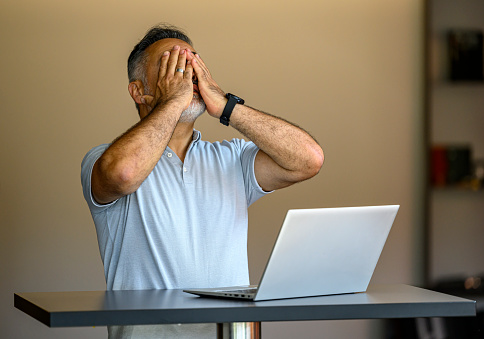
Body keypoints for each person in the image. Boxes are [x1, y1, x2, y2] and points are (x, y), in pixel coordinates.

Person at [81, 24, 324, 338]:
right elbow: (123, 174)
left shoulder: (230, 159)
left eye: (192, 63)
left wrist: (226, 106)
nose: (187, 74)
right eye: (172, 65)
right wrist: (173, 101)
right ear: (139, 91)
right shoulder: (102, 159)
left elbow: (308, 159)